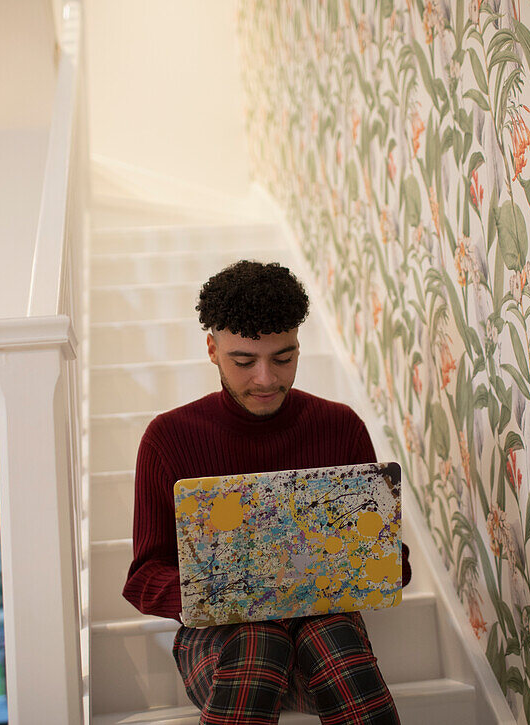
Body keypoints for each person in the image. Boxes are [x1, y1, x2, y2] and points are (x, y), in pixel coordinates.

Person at [122, 260, 411, 724]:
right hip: (223, 645)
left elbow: (389, 561)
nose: (266, 379)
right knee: (259, 638)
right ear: (213, 349)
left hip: (325, 638)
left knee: (329, 633)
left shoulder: (340, 427)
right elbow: (144, 575)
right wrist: (221, 595)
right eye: (244, 361)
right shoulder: (168, 438)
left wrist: (381, 563)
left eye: (283, 357)